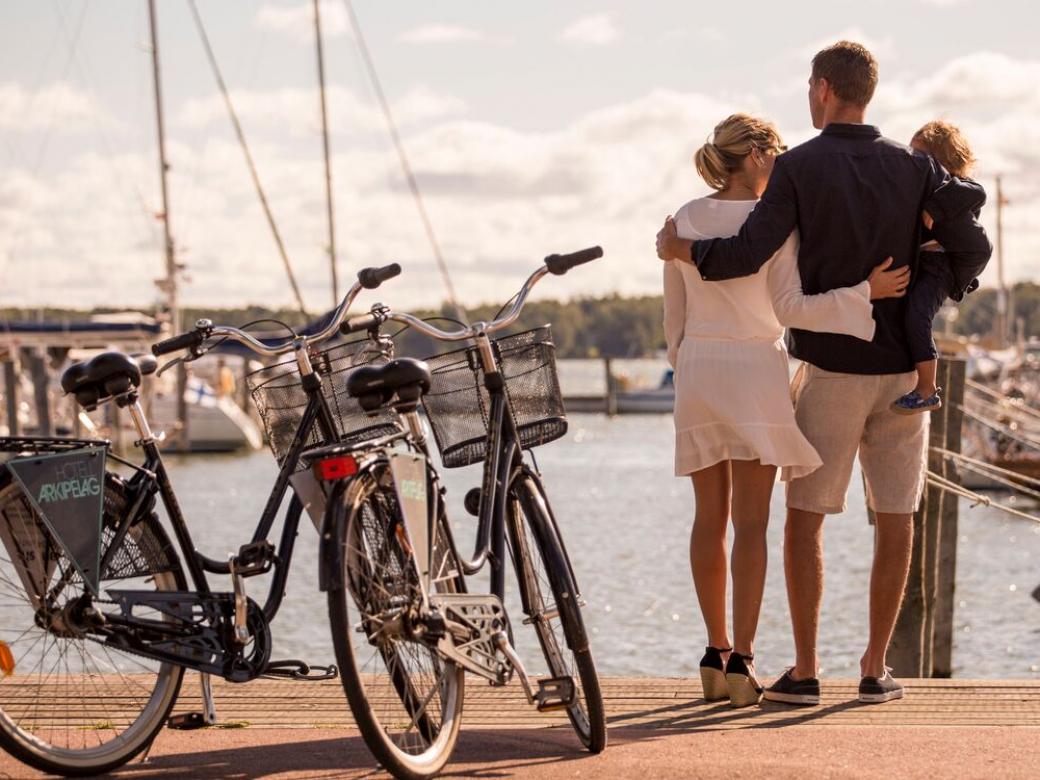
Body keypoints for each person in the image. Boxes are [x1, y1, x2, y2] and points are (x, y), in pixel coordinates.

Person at [656, 41, 991, 706]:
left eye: (811, 86)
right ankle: (873, 669)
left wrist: (683, 249)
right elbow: (972, 242)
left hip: (828, 368)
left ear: (823, 90)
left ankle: (801, 669)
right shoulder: (913, 165)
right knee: (897, 518)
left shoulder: (799, 169)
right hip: (901, 371)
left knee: (803, 518)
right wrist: (938, 282)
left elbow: (750, 252)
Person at [664, 113, 908, 708]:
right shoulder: (774, 221)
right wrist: (863, 295)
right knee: (751, 523)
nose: (785, 163)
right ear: (754, 156)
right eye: (777, 154)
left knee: (707, 520)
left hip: (698, 367)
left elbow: (673, 318)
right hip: (754, 369)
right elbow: (791, 308)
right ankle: (744, 660)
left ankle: (714, 650)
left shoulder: (682, 221)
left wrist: (690, 366)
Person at [892, 120, 988, 414]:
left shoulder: (956, 188)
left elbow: (977, 192)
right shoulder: (919, 189)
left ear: (940, 161)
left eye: (919, 156)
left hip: (941, 264)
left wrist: (936, 207)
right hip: (928, 261)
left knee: (917, 314)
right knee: (908, 312)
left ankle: (927, 389)